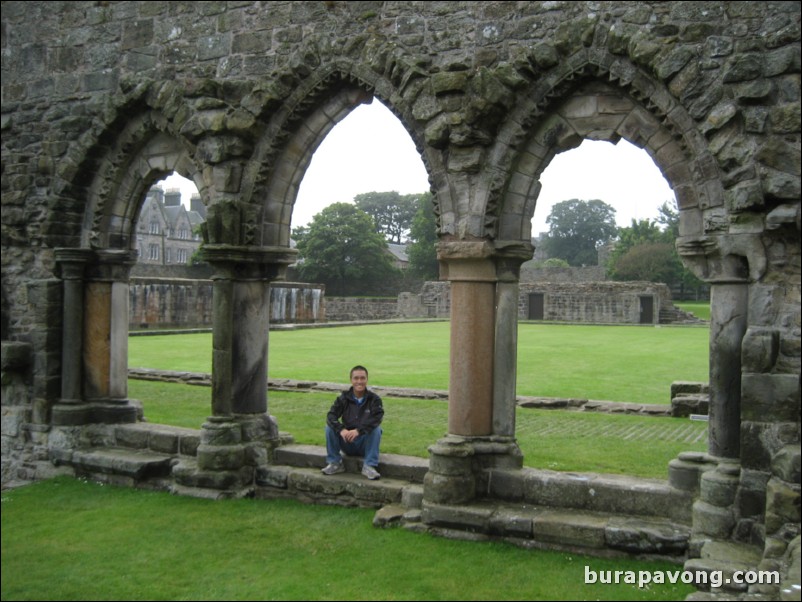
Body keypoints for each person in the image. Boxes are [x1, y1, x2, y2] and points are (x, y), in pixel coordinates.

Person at [322, 365, 384, 480]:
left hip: (364, 443)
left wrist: (359, 431)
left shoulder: (374, 399)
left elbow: (377, 418)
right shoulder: (343, 398)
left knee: (376, 429)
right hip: (347, 442)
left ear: (367, 380)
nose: (359, 381)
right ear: (351, 380)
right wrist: (342, 430)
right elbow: (331, 416)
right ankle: (335, 463)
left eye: (362, 378)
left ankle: (369, 465)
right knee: (329, 427)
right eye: (356, 378)